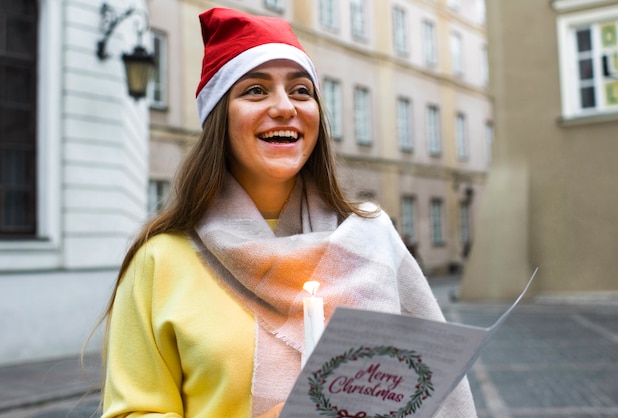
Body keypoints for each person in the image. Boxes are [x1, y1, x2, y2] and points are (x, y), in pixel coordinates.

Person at [99, 7, 477, 418]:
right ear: (219, 118)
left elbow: (438, 393)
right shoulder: (162, 260)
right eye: (256, 91)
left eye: (301, 90)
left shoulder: (371, 239)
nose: (285, 107)